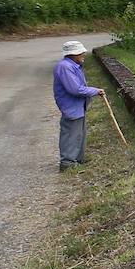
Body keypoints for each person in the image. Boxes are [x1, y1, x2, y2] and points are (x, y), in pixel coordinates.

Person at [53, 40, 104, 171]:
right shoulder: (65, 67)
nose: (83, 54)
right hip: (71, 107)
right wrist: (95, 91)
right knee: (71, 134)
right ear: (73, 54)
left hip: (77, 107)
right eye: (81, 53)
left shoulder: (72, 65)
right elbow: (75, 89)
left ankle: (77, 158)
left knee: (79, 134)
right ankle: (67, 162)